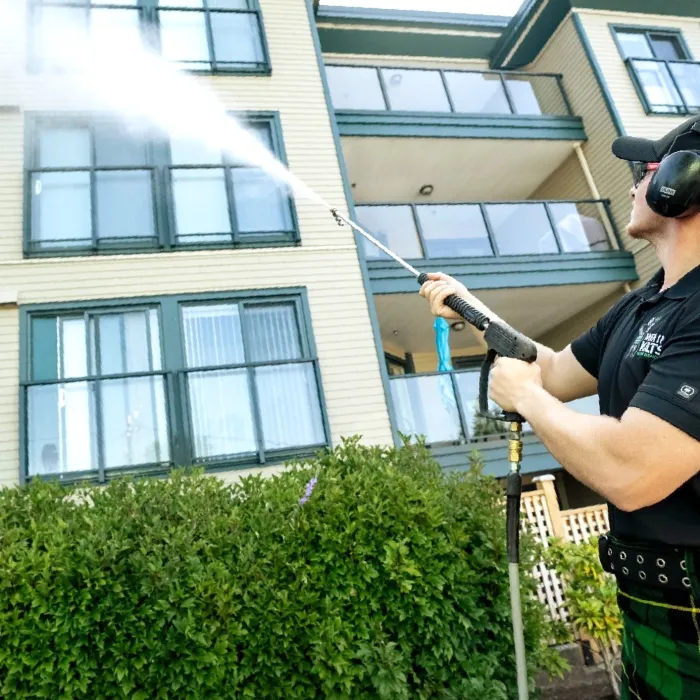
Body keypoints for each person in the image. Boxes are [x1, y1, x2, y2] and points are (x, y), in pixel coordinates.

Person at [420, 113, 700, 700]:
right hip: (648, 597)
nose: (629, 186)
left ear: (683, 182)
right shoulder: (639, 307)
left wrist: (524, 400)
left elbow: (633, 471)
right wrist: (472, 310)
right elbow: (550, 371)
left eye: (643, 171)